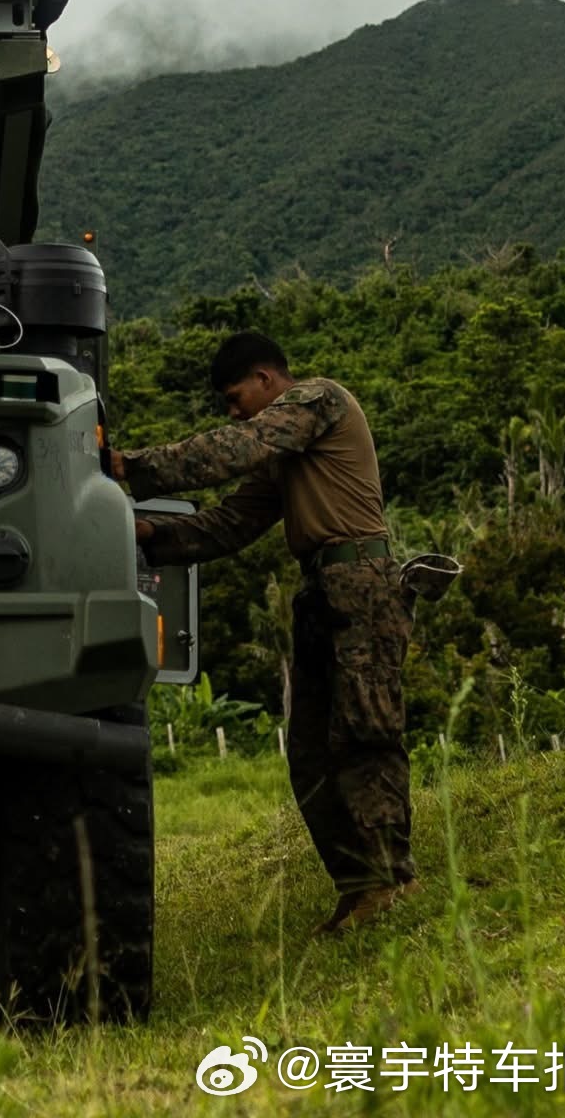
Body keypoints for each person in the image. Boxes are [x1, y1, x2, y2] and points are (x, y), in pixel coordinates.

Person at [109, 331, 416, 933]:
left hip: (362, 582)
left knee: (365, 730)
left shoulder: (319, 401)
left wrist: (130, 466)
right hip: (322, 590)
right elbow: (230, 524)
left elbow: (235, 447)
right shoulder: (284, 454)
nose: (234, 412)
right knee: (309, 753)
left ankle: (393, 879)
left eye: (235, 397)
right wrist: (150, 535)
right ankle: (359, 885)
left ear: (266, 379)